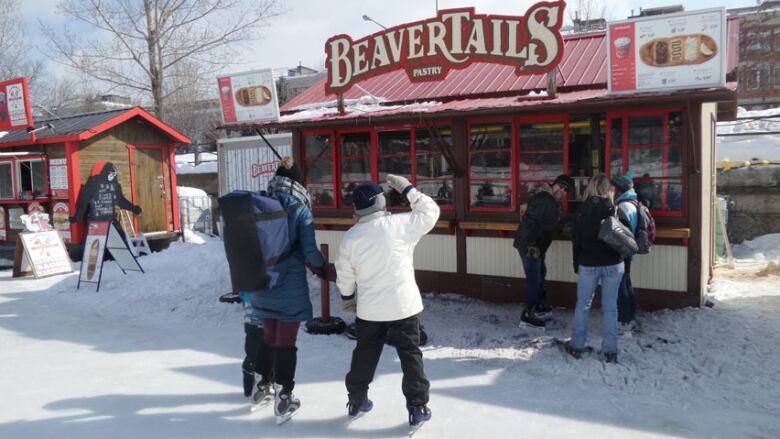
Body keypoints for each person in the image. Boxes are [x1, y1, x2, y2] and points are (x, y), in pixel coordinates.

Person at [335, 174, 439, 429]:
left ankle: (357, 401)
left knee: (365, 354)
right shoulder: (401, 224)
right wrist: (408, 189)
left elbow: (344, 273)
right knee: (410, 355)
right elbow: (430, 211)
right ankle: (417, 407)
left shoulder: (351, 237)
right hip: (404, 306)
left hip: (370, 310)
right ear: (380, 202)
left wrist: (348, 298)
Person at [241, 157, 328, 425]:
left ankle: (263, 384)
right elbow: (310, 252)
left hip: (261, 283)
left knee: (269, 335)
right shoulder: (300, 210)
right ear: (298, 182)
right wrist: (323, 268)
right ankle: (285, 396)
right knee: (286, 342)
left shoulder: (259, 203)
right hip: (288, 284)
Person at [567, 173, 625, 363]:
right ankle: (610, 349)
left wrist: (577, 264)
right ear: (608, 189)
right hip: (613, 263)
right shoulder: (614, 208)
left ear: (590, 187)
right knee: (610, 307)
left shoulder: (581, 210)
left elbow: (576, 241)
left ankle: (577, 344)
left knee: (583, 305)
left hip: (588, 263)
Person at [512, 174, 574, 327]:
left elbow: (548, 224)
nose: (565, 195)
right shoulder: (544, 199)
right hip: (530, 246)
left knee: (540, 274)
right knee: (534, 279)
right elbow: (529, 222)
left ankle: (538, 306)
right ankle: (527, 315)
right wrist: (532, 246)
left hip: (536, 245)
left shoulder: (550, 201)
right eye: (565, 191)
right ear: (560, 186)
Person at [69, 161, 141, 243]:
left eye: (113, 174)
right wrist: (134, 208)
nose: (112, 176)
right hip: (108, 221)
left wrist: (78, 216)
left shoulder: (94, 183)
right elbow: (121, 201)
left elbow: (83, 202)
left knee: (94, 247)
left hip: (97, 221)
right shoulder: (109, 185)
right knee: (120, 242)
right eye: (111, 173)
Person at [612, 172, 640, 336]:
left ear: (619, 190)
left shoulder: (622, 207)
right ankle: (630, 317)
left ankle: (624, 321)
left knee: (622, 286)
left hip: (622, 252)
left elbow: (620, 233)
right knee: (626, 284)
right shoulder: (633, 202)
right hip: (629, 250)